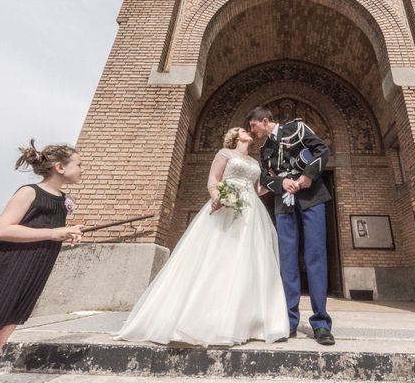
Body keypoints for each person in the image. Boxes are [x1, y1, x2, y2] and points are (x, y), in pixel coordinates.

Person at [115, 128, 289, 346]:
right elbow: (213, 179)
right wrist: (218, 198)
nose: (247, 131)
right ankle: (206, 318)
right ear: (235, 136)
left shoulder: (254, 162)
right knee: (219, 255)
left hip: (251, 210)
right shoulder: (225, 154)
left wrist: (276, 181)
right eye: (243, 129)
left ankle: (247, 321)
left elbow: (258, 189)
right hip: (226, 206)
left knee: (249, 258)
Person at [0, 140, 84, 383]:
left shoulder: (63, 200)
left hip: (30, 276)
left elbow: (40, 231)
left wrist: (65, 233)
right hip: (4, 272)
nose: (82, 169)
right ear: (60, 167)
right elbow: (2, 230)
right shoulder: (29, 192)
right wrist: (54, 232)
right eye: (79, 164)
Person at [247, 107, 335, 346]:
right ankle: (289, 320)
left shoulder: (297, 128)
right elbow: (265, 177)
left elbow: (321, 150)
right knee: (287, 259)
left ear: (265, 121)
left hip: (312, 197)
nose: (252, 131)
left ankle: (321, 323)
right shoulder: (265, 149)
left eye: (253, 126)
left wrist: (307, 176)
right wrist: (282, 181)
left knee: (315, 255)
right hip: (283, 203)